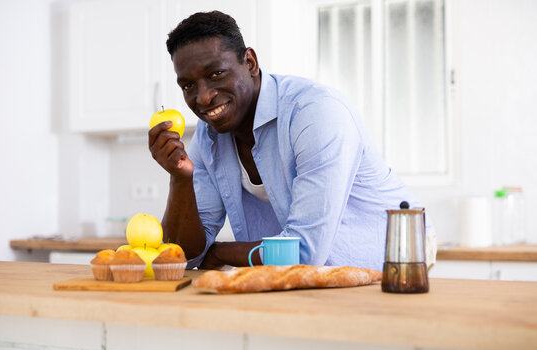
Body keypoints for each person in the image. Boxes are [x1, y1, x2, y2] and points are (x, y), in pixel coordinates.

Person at [148, 11, 436, 271]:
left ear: (250, 62)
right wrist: (180, 178)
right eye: (188, 85)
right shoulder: (208, 137)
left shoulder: (316, 112)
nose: (203, 97)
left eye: (216, 74)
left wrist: (221, 252)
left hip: (391, 262)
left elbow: (304, 251)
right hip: (300, 277)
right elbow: (184, 256)